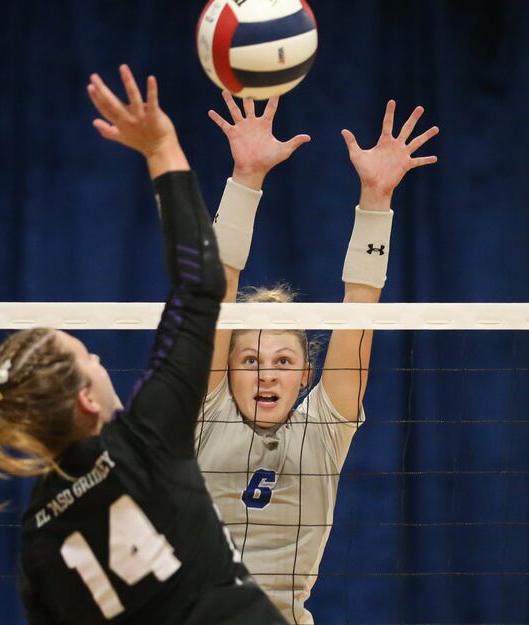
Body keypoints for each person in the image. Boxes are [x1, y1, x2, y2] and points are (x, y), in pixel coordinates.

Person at [0, 65, 288, 625]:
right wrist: (160, 147)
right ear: (86, 400)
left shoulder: (37, 541)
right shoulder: (145, 438)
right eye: (87, 357)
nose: (98, 357)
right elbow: (199, 284)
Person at [196, 91, 439, 624]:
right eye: (251, 360)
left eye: (283, 362)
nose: (266, 374)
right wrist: (245, 178)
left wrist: (376, 199)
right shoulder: (206, 412)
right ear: (227, 369)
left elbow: (360, 304)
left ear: (307, 374)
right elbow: (216, 287)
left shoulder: (324, 428)